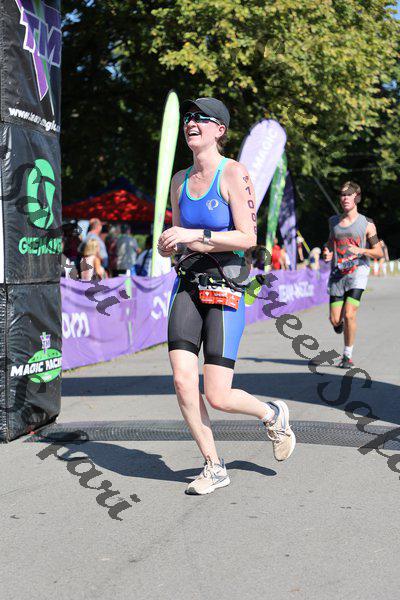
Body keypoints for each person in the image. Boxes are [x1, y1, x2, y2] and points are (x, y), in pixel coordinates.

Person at [157, 96, 295, 496]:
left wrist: (193, 235)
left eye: (200, 118)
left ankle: (272, 413)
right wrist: (169, 245)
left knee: (217, 394)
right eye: (188, 117)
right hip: (187, 283)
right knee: (183, 381)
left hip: (225, 284)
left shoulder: (234, 173)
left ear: (219, 129)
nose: (191, 122)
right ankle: (213, 466)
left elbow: (248, 238)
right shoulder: (180, 180)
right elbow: (179, 241)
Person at [322, 181, 383, 368]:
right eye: (343, 194)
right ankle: (339, 325)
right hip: (338, 274)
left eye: (349, 194)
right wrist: (327, 252)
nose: (345, 198)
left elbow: (378, 252)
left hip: (358, 272)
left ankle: (347, 355)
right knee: (335, 320)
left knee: (349, 314)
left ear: (357, 197)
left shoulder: (367, 224)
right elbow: (330, 242)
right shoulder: (333, 222)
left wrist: (361, 251)